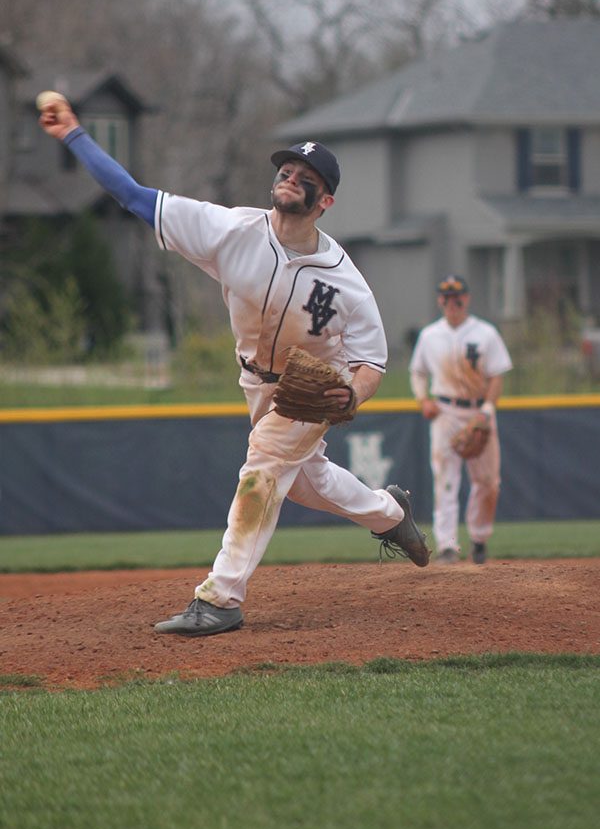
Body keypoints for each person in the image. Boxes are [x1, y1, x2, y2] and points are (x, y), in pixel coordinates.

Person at [39, 95, 430, 636]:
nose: (291, 176)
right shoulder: (231, 231)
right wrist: (75, 135)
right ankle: (391, 513)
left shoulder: (346, 282)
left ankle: (221, 597)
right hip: (255, 382)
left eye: (306, 175)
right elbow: (132, 196)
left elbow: (371, 362)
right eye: (287, 169)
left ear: (326, 201)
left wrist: (352, 395)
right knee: (304, 484)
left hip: (311, 390)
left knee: (264, 466)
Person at [409, 275, 512, 565]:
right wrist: (423, 399)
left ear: (466, 299)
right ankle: (448, 547)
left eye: (457, 297)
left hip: (479, 412)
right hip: (445, 411)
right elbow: (417, 372)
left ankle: (479, 540)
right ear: (440, 301)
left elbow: (496, 377)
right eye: (446, 297)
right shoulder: (430, 335)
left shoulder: (485, 333)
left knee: (489, 482)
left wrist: (487, 411)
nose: (452, 302)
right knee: (445, 480)